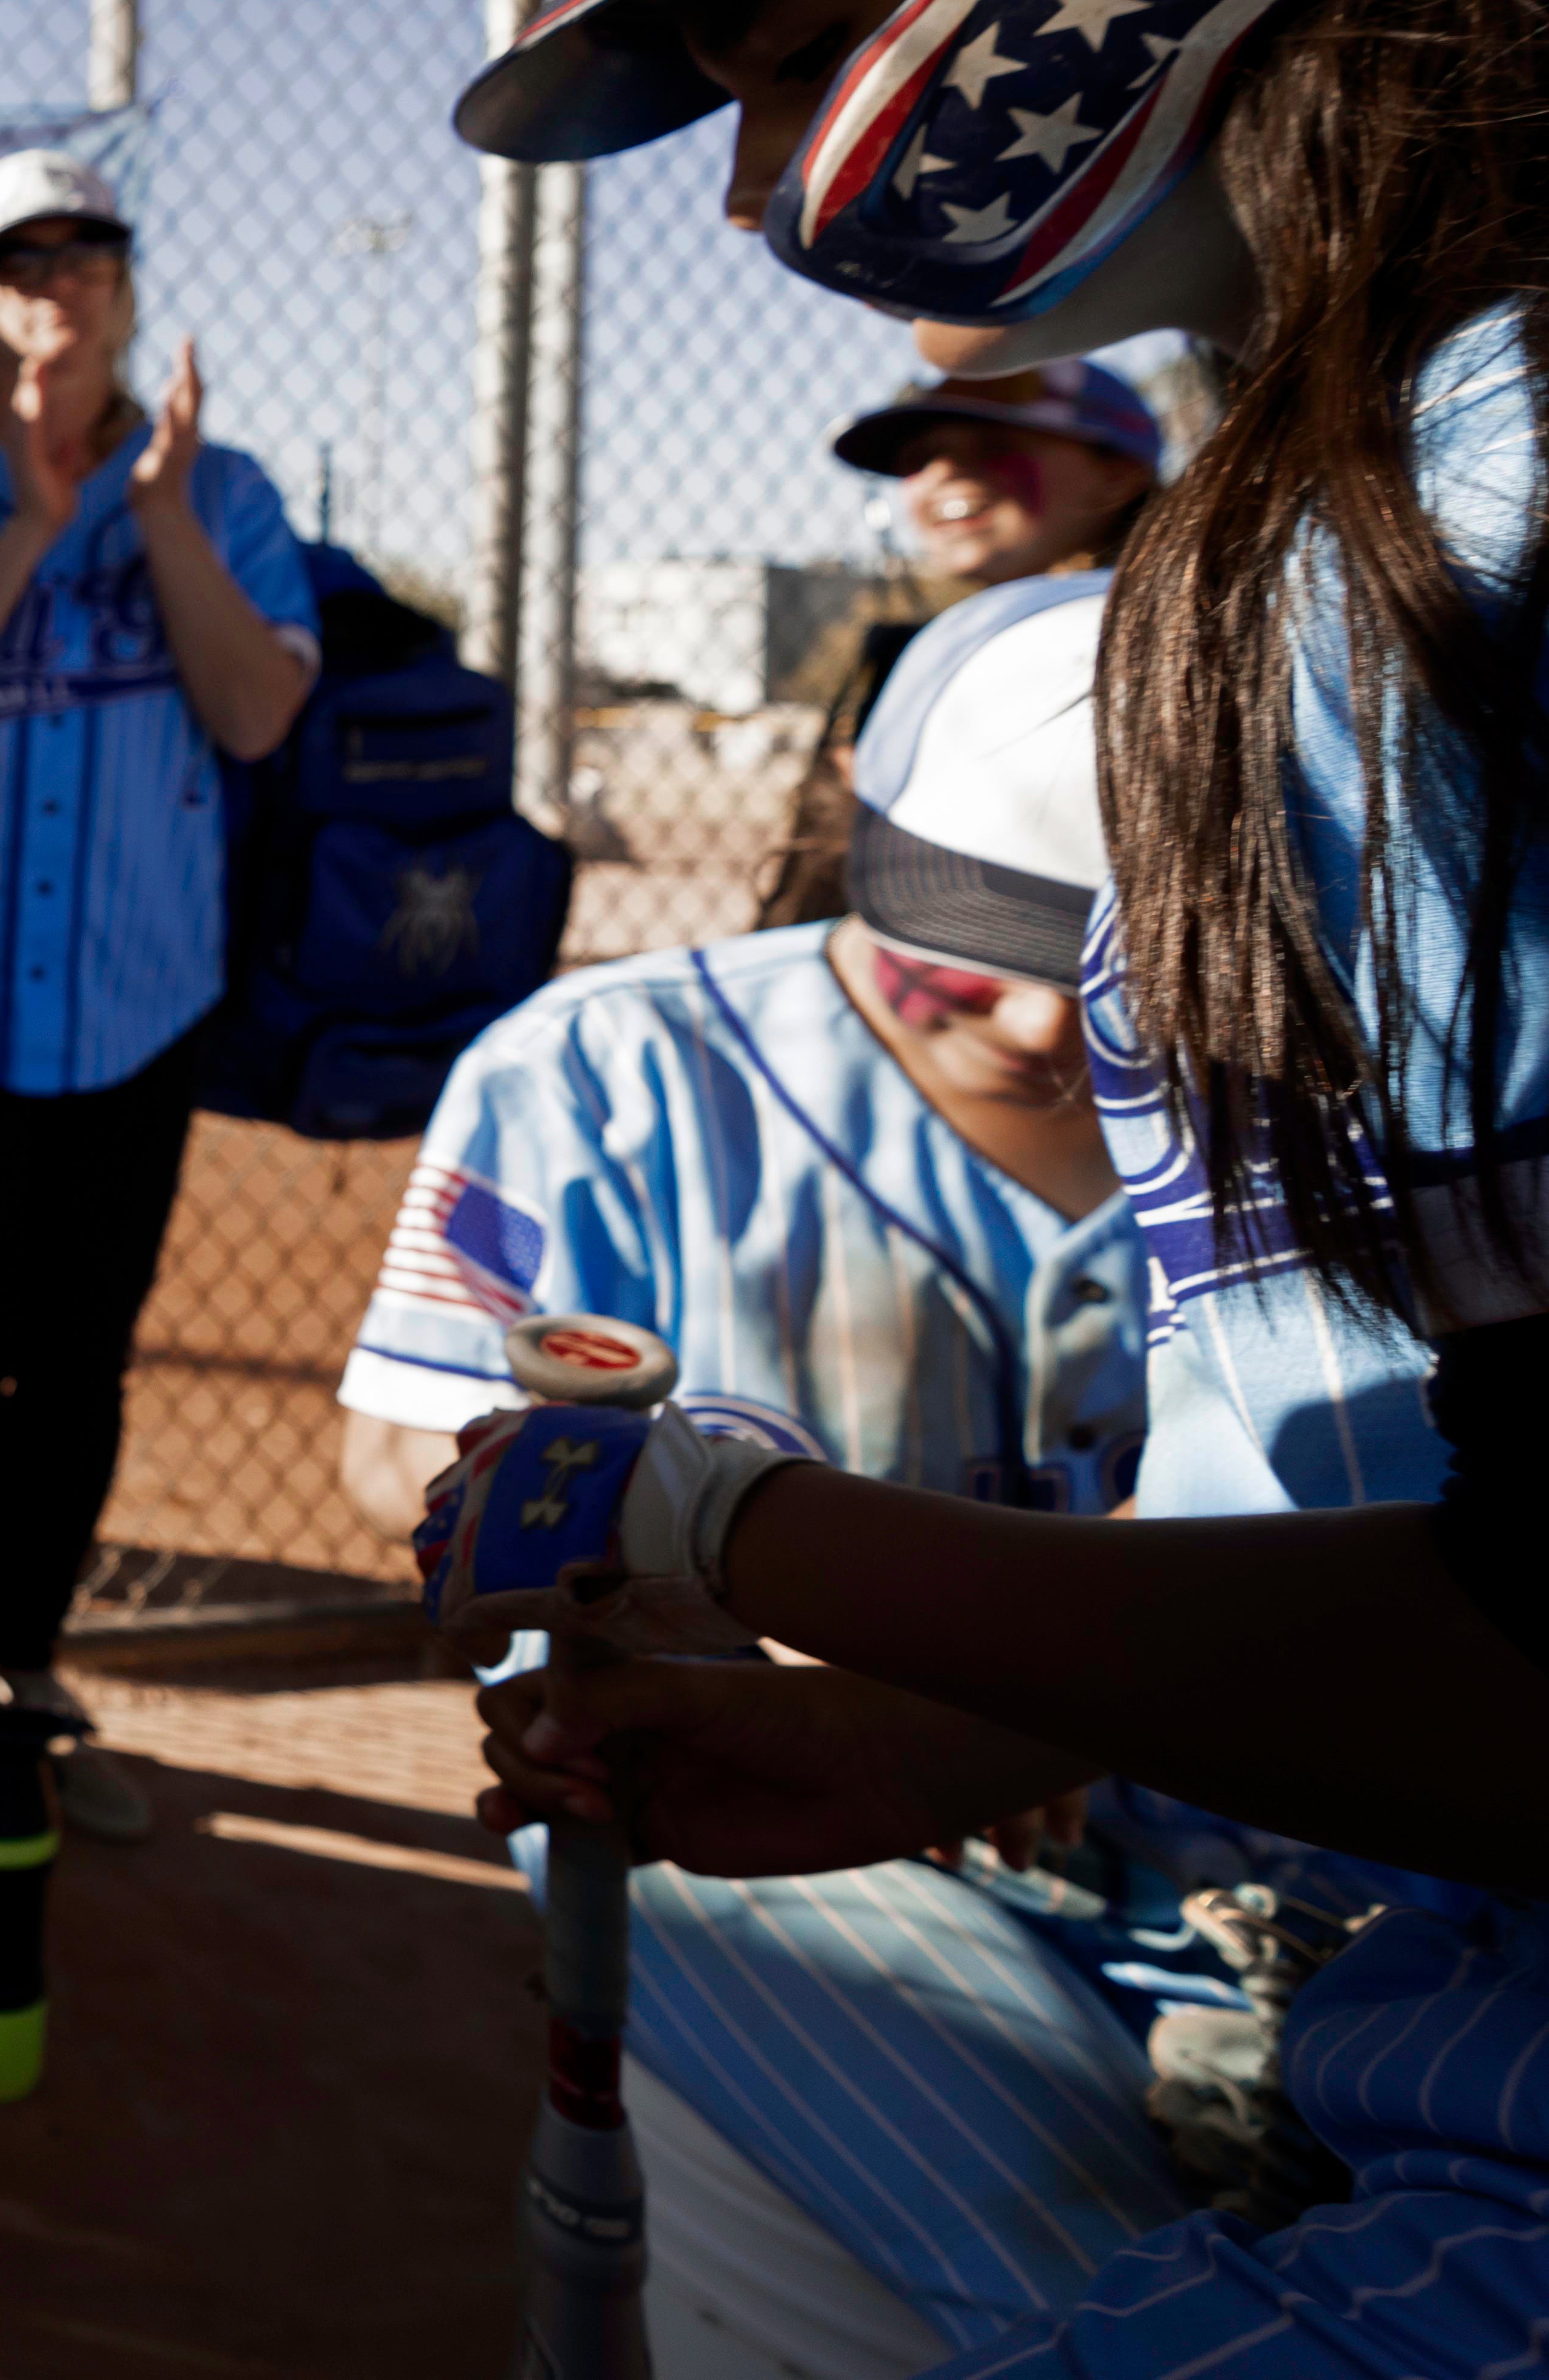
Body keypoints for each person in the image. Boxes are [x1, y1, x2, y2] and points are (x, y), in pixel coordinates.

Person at [425, 0, 1549, 2372]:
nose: (783, 181)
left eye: (800, 45)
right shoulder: (1365, 481)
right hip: (1386, 2006)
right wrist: (935, 1726)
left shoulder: (1480, 504)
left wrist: (719, 1531)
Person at [348, 577, 1192, 2373]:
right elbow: (404, 1452)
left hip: (1214, 1826)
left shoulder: (1305, 1108)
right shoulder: (608, 1066)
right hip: (735, 1811)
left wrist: (974, 1665)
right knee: (1074, 2268)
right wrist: (655, 1558)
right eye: (986, 931)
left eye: (1115, 965)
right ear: (849, 830)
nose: (1047, 1028)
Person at [0, 145, 314, 1838]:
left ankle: (31, 1664)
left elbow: (254, 715)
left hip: (137, 995)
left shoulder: (224, 489)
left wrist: (153, 517)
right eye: (20, 258)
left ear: (121, 277)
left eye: (87, 249)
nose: (59, 280)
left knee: (83, 1355)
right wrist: (33, 525)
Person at [749, 363, 1161, 927]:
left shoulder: (1153, 632)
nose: (943, 473)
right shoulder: (932, 645)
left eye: (994, 445)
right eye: (917, 461)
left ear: (1116, 476)